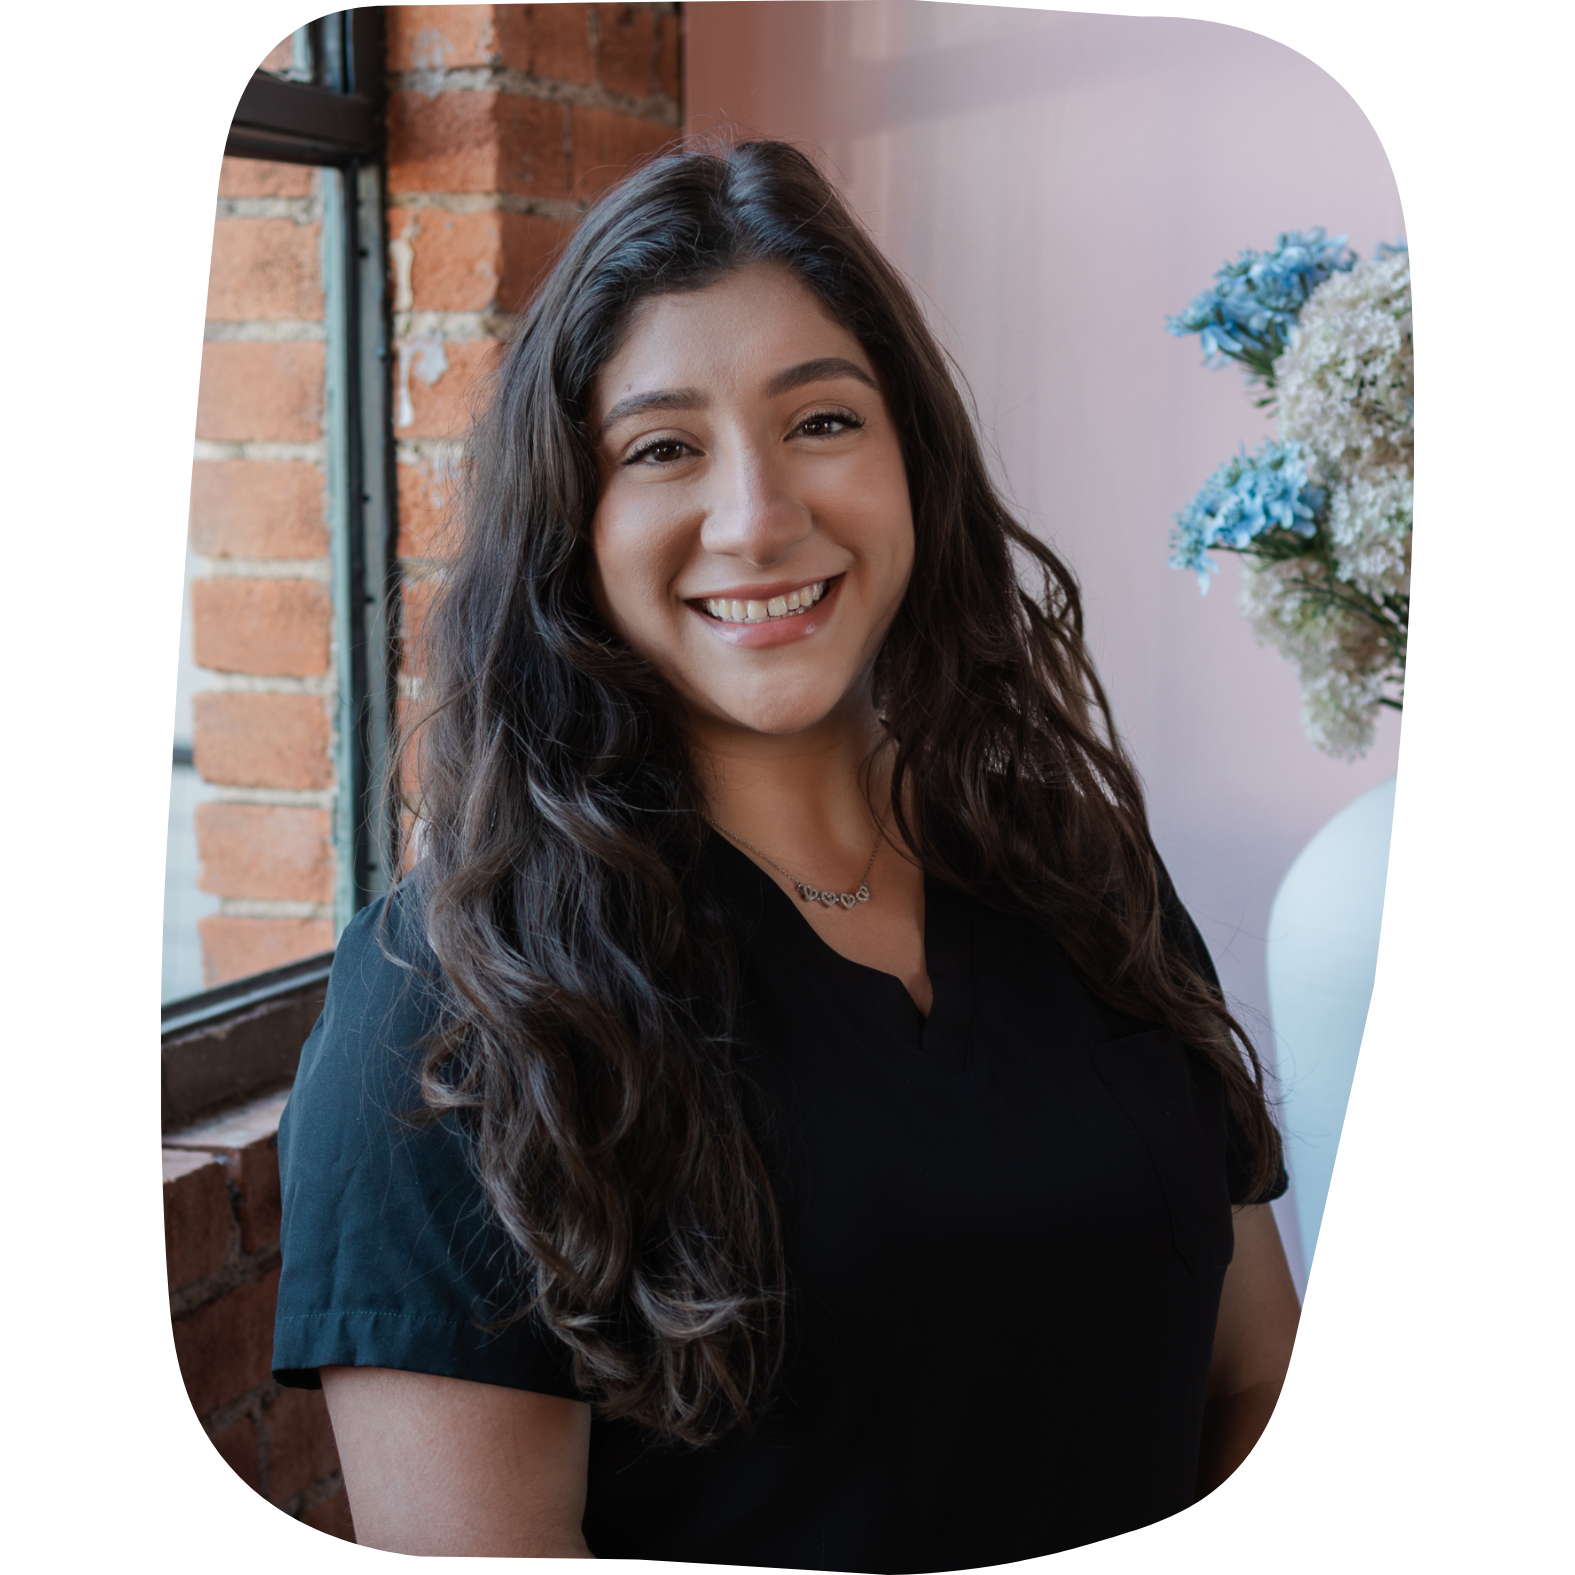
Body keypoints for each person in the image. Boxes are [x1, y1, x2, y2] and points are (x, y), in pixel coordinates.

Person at [272, 139, 1300, 1566]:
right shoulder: (445, 1010)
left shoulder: (1077, 873)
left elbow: (1251, 1370)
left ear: (911, 461)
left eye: (819, 421)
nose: (756, 518)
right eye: (661, 448)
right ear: (570, 523)